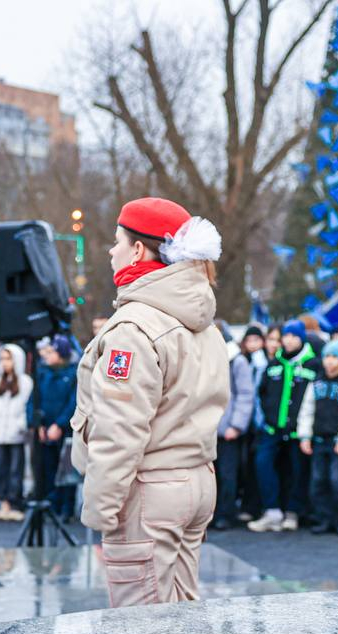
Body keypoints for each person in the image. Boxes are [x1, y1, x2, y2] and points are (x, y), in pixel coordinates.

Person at [71, 197, 228, 607]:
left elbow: (120, 427)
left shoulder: (134, 327)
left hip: (150, 489)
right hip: (196, 478)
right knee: (180, 615)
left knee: (141, 628)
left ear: (138, 249)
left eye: (118, 241)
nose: (111, 251)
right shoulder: (203, 323)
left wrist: (101, 507)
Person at [247, 319, 318, 533]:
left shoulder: (312, 363)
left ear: (301, 338)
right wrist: (269, 416)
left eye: (293, 336)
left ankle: (293, 512)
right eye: (286, 336)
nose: (288, 340)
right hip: (272, 428)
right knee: (263, 463)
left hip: (298, 430)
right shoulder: (275, 363)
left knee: (297, 470)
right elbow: (263, 392)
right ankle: (272, 511)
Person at [297, 340, 338, 535]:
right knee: (318, 482)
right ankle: (322, 519)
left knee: (337, 481)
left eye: (334, 357)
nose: (329, 361)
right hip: (318, 441)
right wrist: (304, 435)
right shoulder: (316, 382)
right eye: (327, 356)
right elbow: (306, 410)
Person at [0, 343, 33, 522]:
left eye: (9, 359)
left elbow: (27, 406)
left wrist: (21, 425)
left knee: (16, 470)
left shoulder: (25, 382)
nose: (5, 363)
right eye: (3, 359)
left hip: (16, 435)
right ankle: (3, 501)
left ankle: (15, 502)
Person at [30, 336, 77, 516]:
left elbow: (74, 402)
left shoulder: (73, 373)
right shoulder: (42, 373)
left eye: (51, 352)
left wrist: (60, 424)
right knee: (47, 468)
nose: (46, 355)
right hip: (45, 429)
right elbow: (33, 400)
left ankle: (66, 508)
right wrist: (37, 424)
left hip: (64, 430)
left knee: (66, 470)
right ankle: (51, 504)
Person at [213, 336, 255, 530]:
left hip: (228, 430)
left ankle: (225, 514)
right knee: (211, 475)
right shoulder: (207, 356)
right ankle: (210, 514)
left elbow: (245, 394)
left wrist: (236, 425)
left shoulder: (237, 361)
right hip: (208, 430)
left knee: (227, 474)